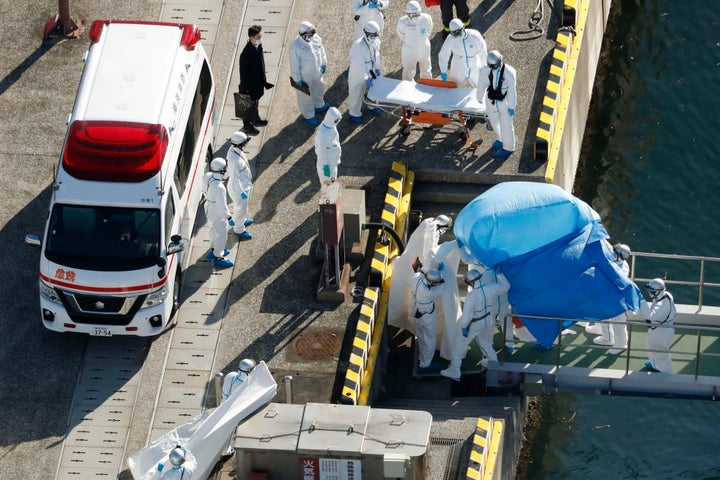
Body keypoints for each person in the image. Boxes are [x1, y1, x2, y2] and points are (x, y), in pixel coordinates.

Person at [441, 269, 511, 381]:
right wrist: (500, 274)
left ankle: (454, 369)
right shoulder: (492, 287)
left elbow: (466, 317)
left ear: (470, 282)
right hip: (488, 319)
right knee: (486, 343)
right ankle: (495, 364)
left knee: (460, 344)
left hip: (476, 322)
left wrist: (464, 329)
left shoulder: (472, 295)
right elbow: (506, 286)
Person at [475, 50, 517, 158]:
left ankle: (508, 147)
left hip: (505, 102)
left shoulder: (509, 72)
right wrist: (479, 97)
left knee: (506, 125)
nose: (494, 68)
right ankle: (500, 138)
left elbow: (512, 91)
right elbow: (481, 84)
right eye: (492, 66)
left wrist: (512, 106)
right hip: (491, 100)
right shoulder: (485, 70)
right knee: (494, 122)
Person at [289, 22, 330, 127]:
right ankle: (308, 114)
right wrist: (297, 79)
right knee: (305, 97)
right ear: (302, 34)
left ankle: (319, 105)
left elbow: (322, 51)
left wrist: (324, 63)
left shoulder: (316, 38)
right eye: (309, 35)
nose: (311, 37)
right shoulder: (295, 46)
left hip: (317, 72)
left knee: (319, 88)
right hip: (304, 77)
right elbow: (294, 64)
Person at [239, 25, 274, 136]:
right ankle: (247, 126)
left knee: (255, 103)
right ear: (252, 37)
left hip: (257, 84)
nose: (261, 39)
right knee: (248, 106)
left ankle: (256, 119)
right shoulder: (246, 54)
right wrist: (247, 90)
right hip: (249, 87)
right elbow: (243, 74)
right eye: (259, 37)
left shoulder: (258, 46)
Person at [410, 266, 446, 370]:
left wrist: (434, 272)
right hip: (427, 317)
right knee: (430, 340)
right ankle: (425, 364)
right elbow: (442, 286)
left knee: (421, 336)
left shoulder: (416, 278)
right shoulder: (428, 292)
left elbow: (418, 273)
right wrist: (441, 272)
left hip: (416, 313)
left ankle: (422, 356)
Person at [348, 21, 383, 124]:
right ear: (366, 33)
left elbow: (376, 56)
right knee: (356, 93)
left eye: (376, 35)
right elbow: (359, 66)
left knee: (373, 90)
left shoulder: (375, 41)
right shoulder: (358, 46)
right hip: (358, 74)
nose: (374, 38)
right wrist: (366, 78)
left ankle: (372, 105)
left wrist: (377, 68)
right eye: (372, 36)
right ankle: (354, 113)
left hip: (371, 70)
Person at [640, 278, 676, 373]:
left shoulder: (662, 304)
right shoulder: (665, 295)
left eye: (651, 291)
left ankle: (667, 373)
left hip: (662, 332)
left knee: (660, 352)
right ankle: (655, 365)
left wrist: (641, 301)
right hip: (658, 329)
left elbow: (650, 315)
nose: (650, 293)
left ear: (657, 292)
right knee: (651, 347)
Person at [221, 359, 256, 456]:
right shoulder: (246, 384)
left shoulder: (230, 375)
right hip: (232, 410)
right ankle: (225, 452)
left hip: (222, 404)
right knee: (228, 431)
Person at [438, 19, 487, 88]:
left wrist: (484, 66)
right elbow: (443, 55)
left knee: (480, 87)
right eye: (455, 33)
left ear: (463, 27)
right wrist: (443, 71)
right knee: (454, 87)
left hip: (474, 65)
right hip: (458, 66)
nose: (457, 35)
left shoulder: (475, 35)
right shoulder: (450, 39)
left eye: (459, 32)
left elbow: (483, 51)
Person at [202, 158, 233, 269]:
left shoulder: (208, 175)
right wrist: (229, 217)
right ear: (222, 170)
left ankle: (214, 249)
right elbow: (222, 207)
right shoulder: (220, 187)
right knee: (221, 234)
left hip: (209, 208)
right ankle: (218, 256)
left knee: (213, 230)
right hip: (217, 212)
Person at [225, 132, 254, 241]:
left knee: (243, 208)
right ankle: (239, 228)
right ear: (241, 144)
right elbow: (234, 178)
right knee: (239, 209)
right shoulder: (234, 160)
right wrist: (242, 191)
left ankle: (242, 220)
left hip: (243, 186)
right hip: (239, 189)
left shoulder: (234, 149)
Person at [396, 1, 433, 82]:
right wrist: (411, 42)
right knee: (408, 72)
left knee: (426, 69)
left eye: (417, 14)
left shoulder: (427, 18)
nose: (416, 17)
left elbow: (429, 30)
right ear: (408, 14)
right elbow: (401, 34)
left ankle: (427, 86)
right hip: (409, 51)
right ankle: (408, 89)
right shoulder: (402, 22)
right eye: (413, 15)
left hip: (424, 49)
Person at [315, 107, 342, 186]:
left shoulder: (330, 125)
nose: (338, 122)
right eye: (336, 120)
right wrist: (325, 166)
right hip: (327, 164)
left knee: (332, 179)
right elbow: (321, 151)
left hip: (332, 161)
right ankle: (328, 196)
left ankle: (331, 192)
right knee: (326, 182)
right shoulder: (322, 134)